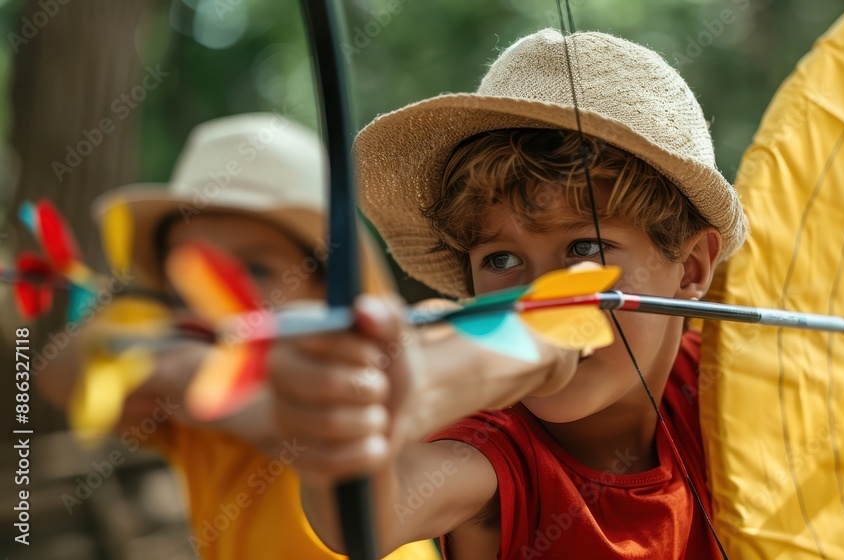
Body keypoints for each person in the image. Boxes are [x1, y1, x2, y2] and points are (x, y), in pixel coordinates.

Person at [271, 29, 749, 559]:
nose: (538, 296)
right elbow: (366, 513)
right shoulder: (496, 448)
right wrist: (358, 413)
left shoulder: (725, 382)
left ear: (690, 267)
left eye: (584, 246)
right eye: (501, 259)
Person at [39, 113, 440, 560]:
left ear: (327, 288)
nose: (215, 296)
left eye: (254, 268)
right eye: (192, 273)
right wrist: (169, 366)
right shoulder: (185, 403)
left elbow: (288, 420)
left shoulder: (347, 376)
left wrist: (186, 378)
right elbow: (57, 369)